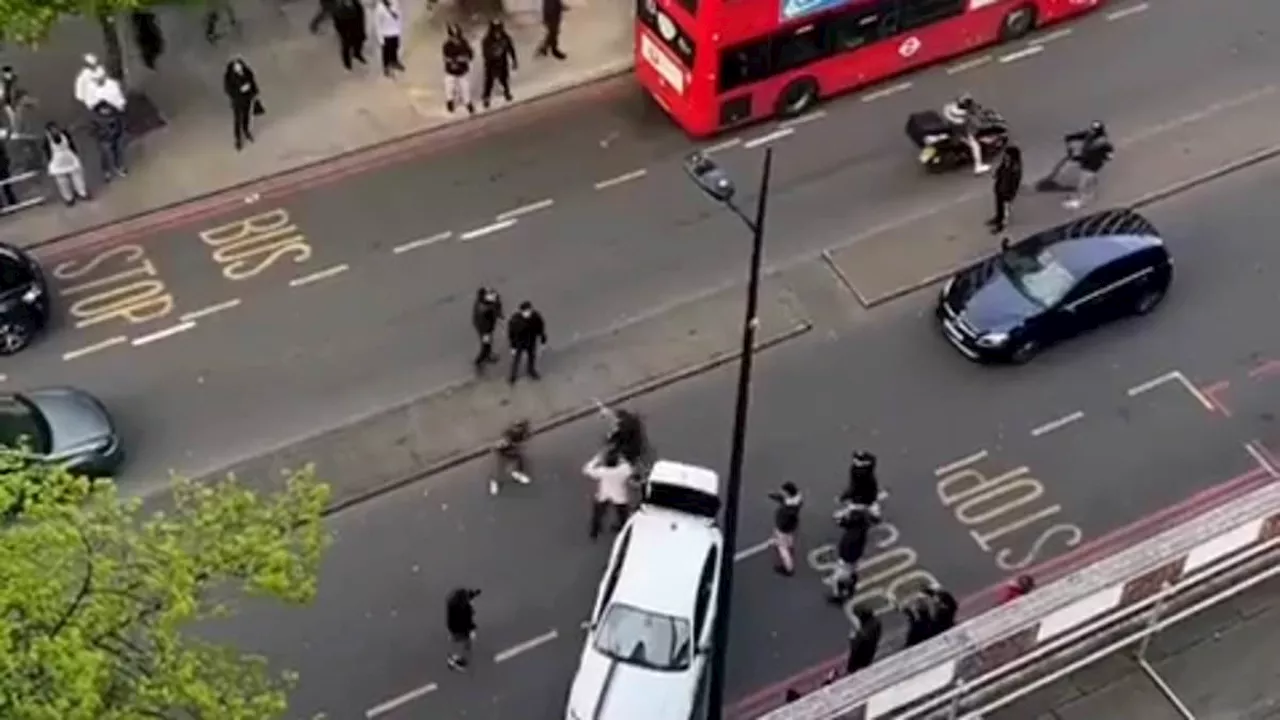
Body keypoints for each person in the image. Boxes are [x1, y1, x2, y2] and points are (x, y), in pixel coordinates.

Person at [85, 69, 129, 180]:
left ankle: (118, 167)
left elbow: (118, 99)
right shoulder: (95, 116)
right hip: (104, 138)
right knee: (105, 155)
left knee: (117, 152)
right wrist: (100, 135)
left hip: (114, 135)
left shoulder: (112, 87)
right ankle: (107, 172)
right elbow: (92, 129)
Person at [584, 447, 632, 540]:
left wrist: (597, 459)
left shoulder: (602, 471)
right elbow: (628, 467)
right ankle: (623, 530)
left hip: (604, 493)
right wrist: (622, 458)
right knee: (622, 514)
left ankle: (595, 531)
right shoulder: (624, 469)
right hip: (619, 495)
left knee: (598, 513)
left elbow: (586, 469)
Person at [1063, 121, 1113, 210]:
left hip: (1091, 165)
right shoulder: (1091, 135)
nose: (1091, 131)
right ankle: (1092, 194)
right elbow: (1082, 135)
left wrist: (1106, 156)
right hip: (1087, 163)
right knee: (1089, 180)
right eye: (1092, 129)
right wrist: (1071, 137)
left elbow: (1109, 154)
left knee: (1082, 185)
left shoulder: (1102, 143)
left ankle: (1081, 202)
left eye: (1094, 130)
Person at [43, 121, 89, 206]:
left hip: (69, 157)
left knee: (78, 177)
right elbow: (47, 152)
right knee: (62, 182)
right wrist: (50, 161)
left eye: (55, 128)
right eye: (52, 129)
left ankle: (82, 193)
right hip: (57, 162)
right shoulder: (47, 140)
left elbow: (71, 144)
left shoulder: (65, 134)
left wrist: (75, 154)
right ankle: (68, 198)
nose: (55, 131)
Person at [942, 92, 989, 174]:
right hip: (959, 134)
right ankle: (978, 166)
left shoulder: (948, 108)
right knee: (976, 146)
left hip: (950, 127)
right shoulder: (963, 116)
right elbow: (970, 124)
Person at [829, 509, 870, 602]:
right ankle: (850, 587)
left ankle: (838, 596)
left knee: (836, 578)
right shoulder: (861, 529)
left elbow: (846, 544)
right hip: (854, 557)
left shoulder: (852, 535)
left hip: (847, 559)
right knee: (851, 572)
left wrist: (843, 556)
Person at [223, 56, 260, 150]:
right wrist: (240, 90)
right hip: (237, 101)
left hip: (247, 98)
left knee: (246, 116)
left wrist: (254, 92)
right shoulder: (229, 77)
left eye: (239, 66)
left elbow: (252, 81)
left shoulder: (247, 72)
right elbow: (228, 89)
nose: (238, 69)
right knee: (237, 120)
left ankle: (246, 131)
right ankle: (238, 139)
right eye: (236, 67)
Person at [506, 301, 547, 383]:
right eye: (526, 311)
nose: (528, 313)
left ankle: (531, 370)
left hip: (531, 340)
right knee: (516, 359)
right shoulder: (515, 320)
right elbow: (511, 334)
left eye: (529, 310)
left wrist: (543, 340)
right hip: (519, 342)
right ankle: (513, 375)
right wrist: (513, 346)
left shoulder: (536, 317)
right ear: (521, 311)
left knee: (532, 357)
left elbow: (541, 328)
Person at [837, 450, 883, 523]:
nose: (854, 460)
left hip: (861, 498)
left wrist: (845, 496)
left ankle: (869, 511)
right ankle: (873, 511)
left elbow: (854, 488)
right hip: (869, 496)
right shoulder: (864, 471)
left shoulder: (859, 473)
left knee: (861, 502)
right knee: (869, 501)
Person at [768, 482, 803, 576]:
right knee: (787, 537)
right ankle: (788, 545)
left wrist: (780, 525)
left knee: (782, 548)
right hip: (790, 527)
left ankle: (788, 568)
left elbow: (783, 501)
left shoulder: (789, 507)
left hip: (784, 528)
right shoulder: (795, 500)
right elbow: (782, 499)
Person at [480, 19, 517, 109]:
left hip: (503, 61)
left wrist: (514, 61)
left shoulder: (506, 37)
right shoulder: (487, 40)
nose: (497, 32)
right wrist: (493, 55)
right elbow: (485, 53)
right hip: (490, 63)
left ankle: (506, 92)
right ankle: (486, 98)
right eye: (495, 30)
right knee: (489, 81)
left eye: (499, 29)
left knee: (504, 78)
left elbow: (511, 49)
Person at [490, 419, 531, 495]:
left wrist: (517, 446)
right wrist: (505, 445)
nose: (517, 429)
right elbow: (501, 444)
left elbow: (523, 441)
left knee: (519, 460)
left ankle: (517, 473)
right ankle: (494, 481)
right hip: (503, 451)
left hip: (511, 450)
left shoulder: (523, 434)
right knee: (500, 467)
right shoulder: (508, 433)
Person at [988, 144, 1022, 233]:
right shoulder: (1005, 162)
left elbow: (1015, 183)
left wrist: (1011, 194)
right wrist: (996, 174)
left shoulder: (1015, 168)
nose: (1005, 155)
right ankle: (998, 218)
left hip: (1007, 192)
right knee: (999, 206)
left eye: (1007, 154)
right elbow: (1000, 170)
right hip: (1000, 189)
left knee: (1006, 211)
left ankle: (1001, 227)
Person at [443, 24, 475, 114]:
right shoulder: (447, 45)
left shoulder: (464, 43)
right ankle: (450, 102)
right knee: (449, 85)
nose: (455, 39)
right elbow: (447, 58)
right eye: (453, 37)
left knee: (465, 87)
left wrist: (465, 59)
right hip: (451, 71)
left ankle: (468, 103)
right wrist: (455, 61)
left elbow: (471, 55)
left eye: (457, 37)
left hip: (462, 71)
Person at [445, 587, 480, 671]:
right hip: (460, 629)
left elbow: (466, 595)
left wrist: (474, 594)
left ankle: (452, 656)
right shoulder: (466, 609)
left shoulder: (453, 602)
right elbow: (467, 622)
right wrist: (471, 630)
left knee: (455, 639)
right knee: (467, 642)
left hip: (452, 626)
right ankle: (460, 661)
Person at [472, 286, 504, 370]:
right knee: (485, 345)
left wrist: (496, 302)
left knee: (489, 342)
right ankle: (478, 362)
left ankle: (488, 356)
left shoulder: (488, 302)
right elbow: (491, 310)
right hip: (484, 329)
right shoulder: (482, 307)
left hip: (489, 326)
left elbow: (497, 305)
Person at [844, 604, 882, 674]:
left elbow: (857, 643)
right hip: (866, 651)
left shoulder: (868, 629)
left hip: (863, 652)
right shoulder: (875, 623)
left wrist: (853, 640)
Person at [332, 0, 368, 70]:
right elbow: (337, 23)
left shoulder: (357, 6)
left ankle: (357, 54)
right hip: (346, 30)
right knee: (346, 46)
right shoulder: (338, 8)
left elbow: (361, 18)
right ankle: (347, 64)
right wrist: (342, 33)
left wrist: (362, 30)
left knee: (359, 42)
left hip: (356, 28)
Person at [374, 0, 405, 77]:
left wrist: (399, 29)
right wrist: (380, 38)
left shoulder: (395, 3)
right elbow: (377, 24)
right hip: (386, 34)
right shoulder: (379, 8)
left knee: (394, 49)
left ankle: (394, 61)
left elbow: (399, 16)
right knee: (386, 53)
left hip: (395, 32)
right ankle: (386, 67)